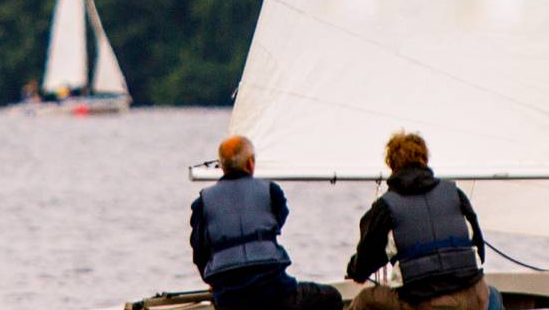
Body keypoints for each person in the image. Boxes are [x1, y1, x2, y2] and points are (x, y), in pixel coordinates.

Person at [190, 135, 343, 310]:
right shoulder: (271, 192)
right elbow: (278, 222)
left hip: (229, 299)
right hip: (276, 294)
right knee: (332, 297)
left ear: (222, 166)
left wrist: (217, 284)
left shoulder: (202, 203)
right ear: (250, 163)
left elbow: (199, 253)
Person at [345, 131, 489, 310]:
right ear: (425, 160)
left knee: (364, 300)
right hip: (471, 299)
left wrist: (353, 270)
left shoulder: (386, 207)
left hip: (423, 303)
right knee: (492, 294)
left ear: (392, 163)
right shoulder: (455, 194)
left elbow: (364, 264)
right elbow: (480, 253)